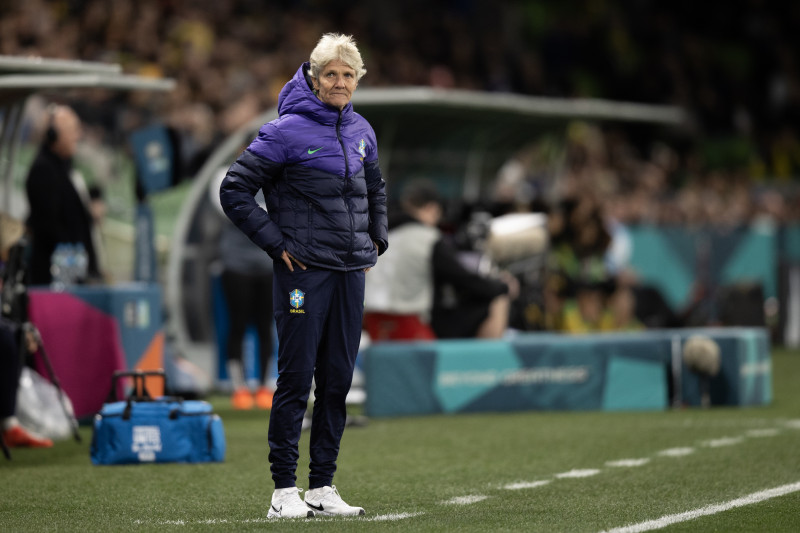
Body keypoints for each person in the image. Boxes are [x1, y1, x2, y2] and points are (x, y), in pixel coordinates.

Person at [219, 33, 387, 519]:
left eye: (348, 74)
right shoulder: (284, 131)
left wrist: (377, 239)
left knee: (337, 381)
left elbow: (376, 189)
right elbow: (234, 190)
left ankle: (322, 486)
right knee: (296, 379)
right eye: (331, 74)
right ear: (314, 78)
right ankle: (282, 492)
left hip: (350, 271)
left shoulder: (362, 130)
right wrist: (277, 244)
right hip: (304, 275)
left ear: (357, 80)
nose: (340, 82)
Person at [365, 179, 517, 340]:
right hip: (412, 324)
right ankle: (487, 356)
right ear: (432, 208)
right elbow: (464, 279)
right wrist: (503, 286)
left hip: (373, 322)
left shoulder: (381, 236)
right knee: (497, 298)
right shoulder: (427, 238)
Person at [210, 170, 275, 411]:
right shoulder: (226, 176)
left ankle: (264, 386)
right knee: (237, 325)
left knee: (265, 327)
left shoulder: (276, 176)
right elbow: (229, 207)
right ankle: (239, 388)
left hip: (268, 264)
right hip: (236, 265)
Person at [24, 104, 102, 286]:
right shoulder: (43, 170)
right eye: (73, 130)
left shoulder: (65, 166)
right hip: (57, 277)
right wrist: (77, 272)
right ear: (53, 135)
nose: (78, 136)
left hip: (71, 271)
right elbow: (50, 229)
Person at [0, 213, 53, 449]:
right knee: (6, 337)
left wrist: (23, 328)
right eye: (13, 244)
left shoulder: (8, 270)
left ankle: (9, 424)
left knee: (15, 336)